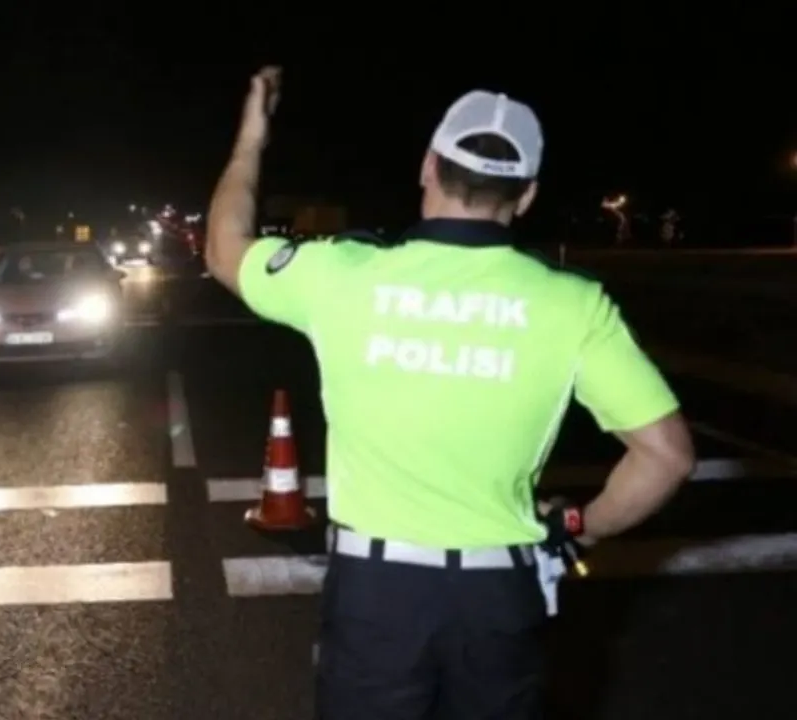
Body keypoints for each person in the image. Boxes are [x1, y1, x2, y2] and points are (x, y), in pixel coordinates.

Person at [204, 67, 697, 720]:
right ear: (526, 195)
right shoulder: (574, 305)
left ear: (428, 166)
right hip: (501, 599)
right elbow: (667, 456)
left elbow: (223, 248)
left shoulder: (343, 275)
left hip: (377, 595)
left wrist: (252, 136)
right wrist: (579, 528)